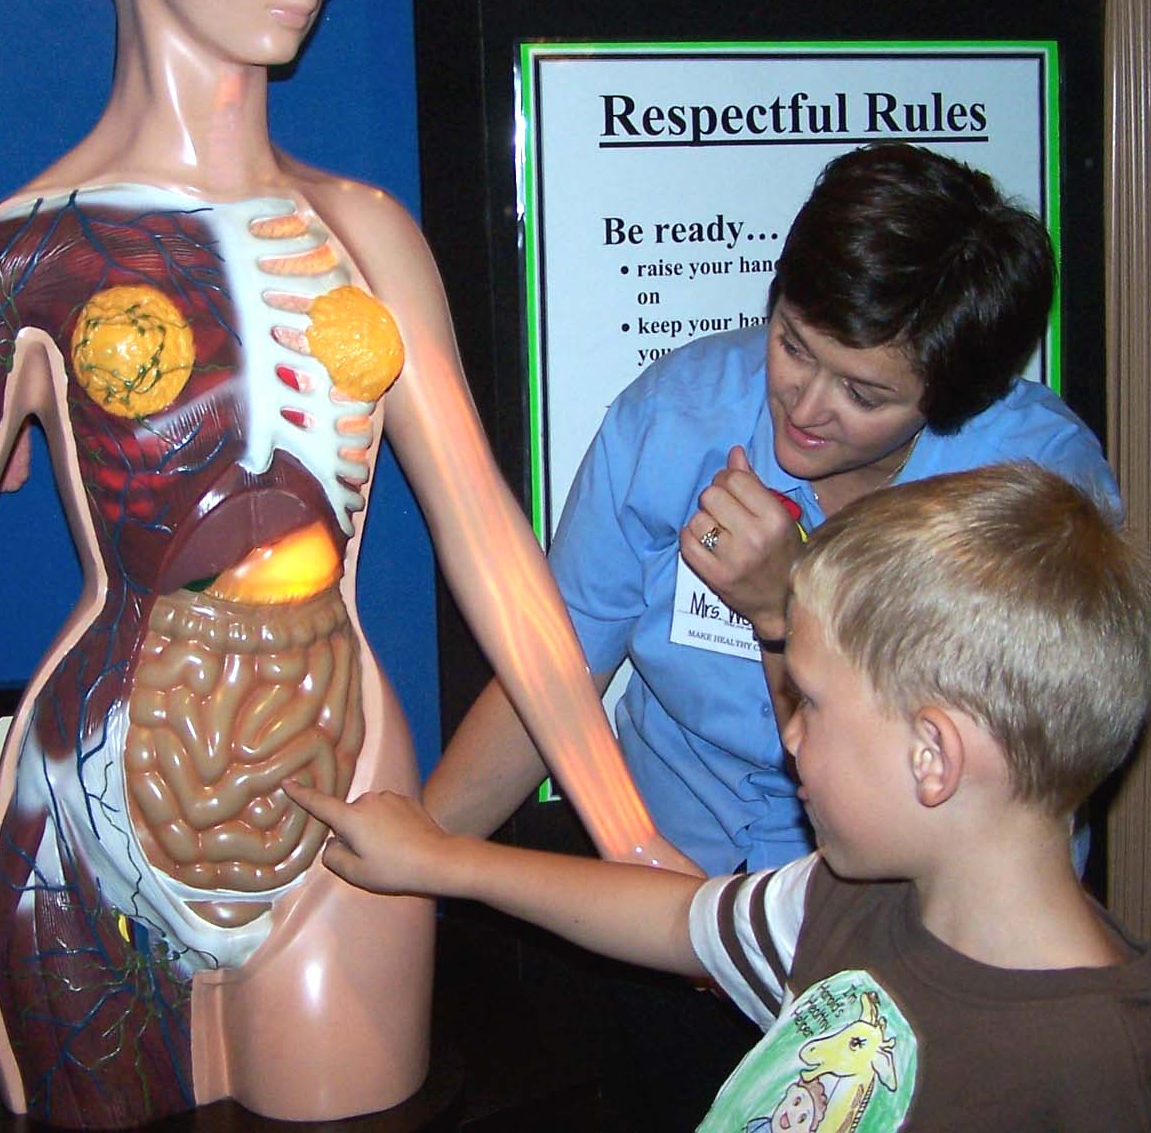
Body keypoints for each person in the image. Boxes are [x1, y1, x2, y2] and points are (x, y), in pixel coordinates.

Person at [0, 0, 686, 1130]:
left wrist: (628, 834)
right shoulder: (25, 254)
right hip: (89, 803)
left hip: (348, 788)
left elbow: (490, 540)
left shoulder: (364, 230)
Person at [291, 462, 1151, 1130]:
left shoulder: (1099, 1069)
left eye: (809, 703)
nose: (790, 736)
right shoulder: (850, 903)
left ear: (933, 756)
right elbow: (676, 923)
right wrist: (445, 861)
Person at [426, 143, 1120, 877]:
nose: (805, 404)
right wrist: (411, 859)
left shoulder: (1034, 496)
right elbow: (551, 675)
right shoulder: (678, 415)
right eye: (792, 343)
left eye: (864, 394)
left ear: (953, 399)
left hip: (906, 925)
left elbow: (947, 796)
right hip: (667, 885)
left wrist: (791, 613)